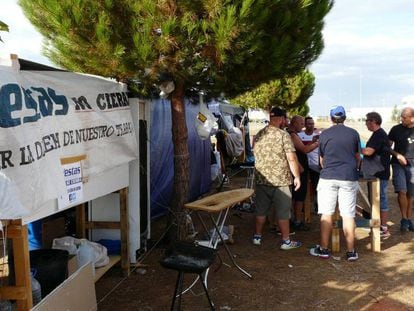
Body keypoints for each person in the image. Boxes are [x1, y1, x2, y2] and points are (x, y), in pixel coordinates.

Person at [310, 105, 361, 261]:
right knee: (348, 215)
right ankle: (351, 251)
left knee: (327, 214)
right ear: (344, 118)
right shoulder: (353, 133)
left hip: (329, 176)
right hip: (348, 176)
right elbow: (357, 156)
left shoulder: (324, 134)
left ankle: (324, 249)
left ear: (331, 118)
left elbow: (321, 159)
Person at [253, 106, 302, 250]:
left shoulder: (259, 134)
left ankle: (257, 236)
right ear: (281, 119)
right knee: (283, 212)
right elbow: (292, 158)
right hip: (281, 180)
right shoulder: (283, 135)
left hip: (262, 179)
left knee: (261, 210)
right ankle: (286, 241)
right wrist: (297, 176)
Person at [361, 112, 391, 237]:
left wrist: (350, 148)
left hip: (379, 173)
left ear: (373, 121)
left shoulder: (379, 135)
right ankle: (379, 225)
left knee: (380, 199)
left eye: (367, 121)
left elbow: (368, 152)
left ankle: (383, 227)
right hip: (376, 172)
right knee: (376, 199)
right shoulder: (378, 134)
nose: (365, 123)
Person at [288, 116, 319, 230]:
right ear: (295, 123)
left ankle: (293, 219)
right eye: (302, 123)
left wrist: (312, 142)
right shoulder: (292, 134)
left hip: (297, 168)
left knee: (296, 196)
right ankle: (297, 221)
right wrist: (317, 144)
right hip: (298, 170)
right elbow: (304, 150)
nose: (303, 126)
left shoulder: (291, 133)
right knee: (299, 196)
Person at [388, 107, 414, 232]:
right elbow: (387, 147)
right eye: (401, 117)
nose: (401, 119)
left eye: (404, 117)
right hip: (398, 164)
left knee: (411, 194)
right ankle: (404, 218)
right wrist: (397, 155)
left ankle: (409, 219)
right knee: (402, 191)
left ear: (412, 118)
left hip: (413, 165)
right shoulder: (395, 129)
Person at [298, 117, 321, 212]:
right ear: (304, 125)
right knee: (303, 187)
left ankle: (317, 206)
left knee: (317, 187)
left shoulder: (318, 136)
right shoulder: (299, 135)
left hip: (315, 166)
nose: (311, 126)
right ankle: (303, 207)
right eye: (309, 124)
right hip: (303, 165)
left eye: (312, 123)